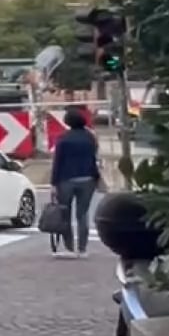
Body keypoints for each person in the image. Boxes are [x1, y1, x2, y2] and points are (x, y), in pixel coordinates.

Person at [50, 106, 104, 258]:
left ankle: (69, 248)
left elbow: (57, 162)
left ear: (67, 122)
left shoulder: (63, 138)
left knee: (65, 214)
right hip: (88, 179)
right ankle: (82, 248)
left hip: (66, 179)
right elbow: (95, 157)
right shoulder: (90, 137)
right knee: (82, 214)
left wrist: (53, 183)